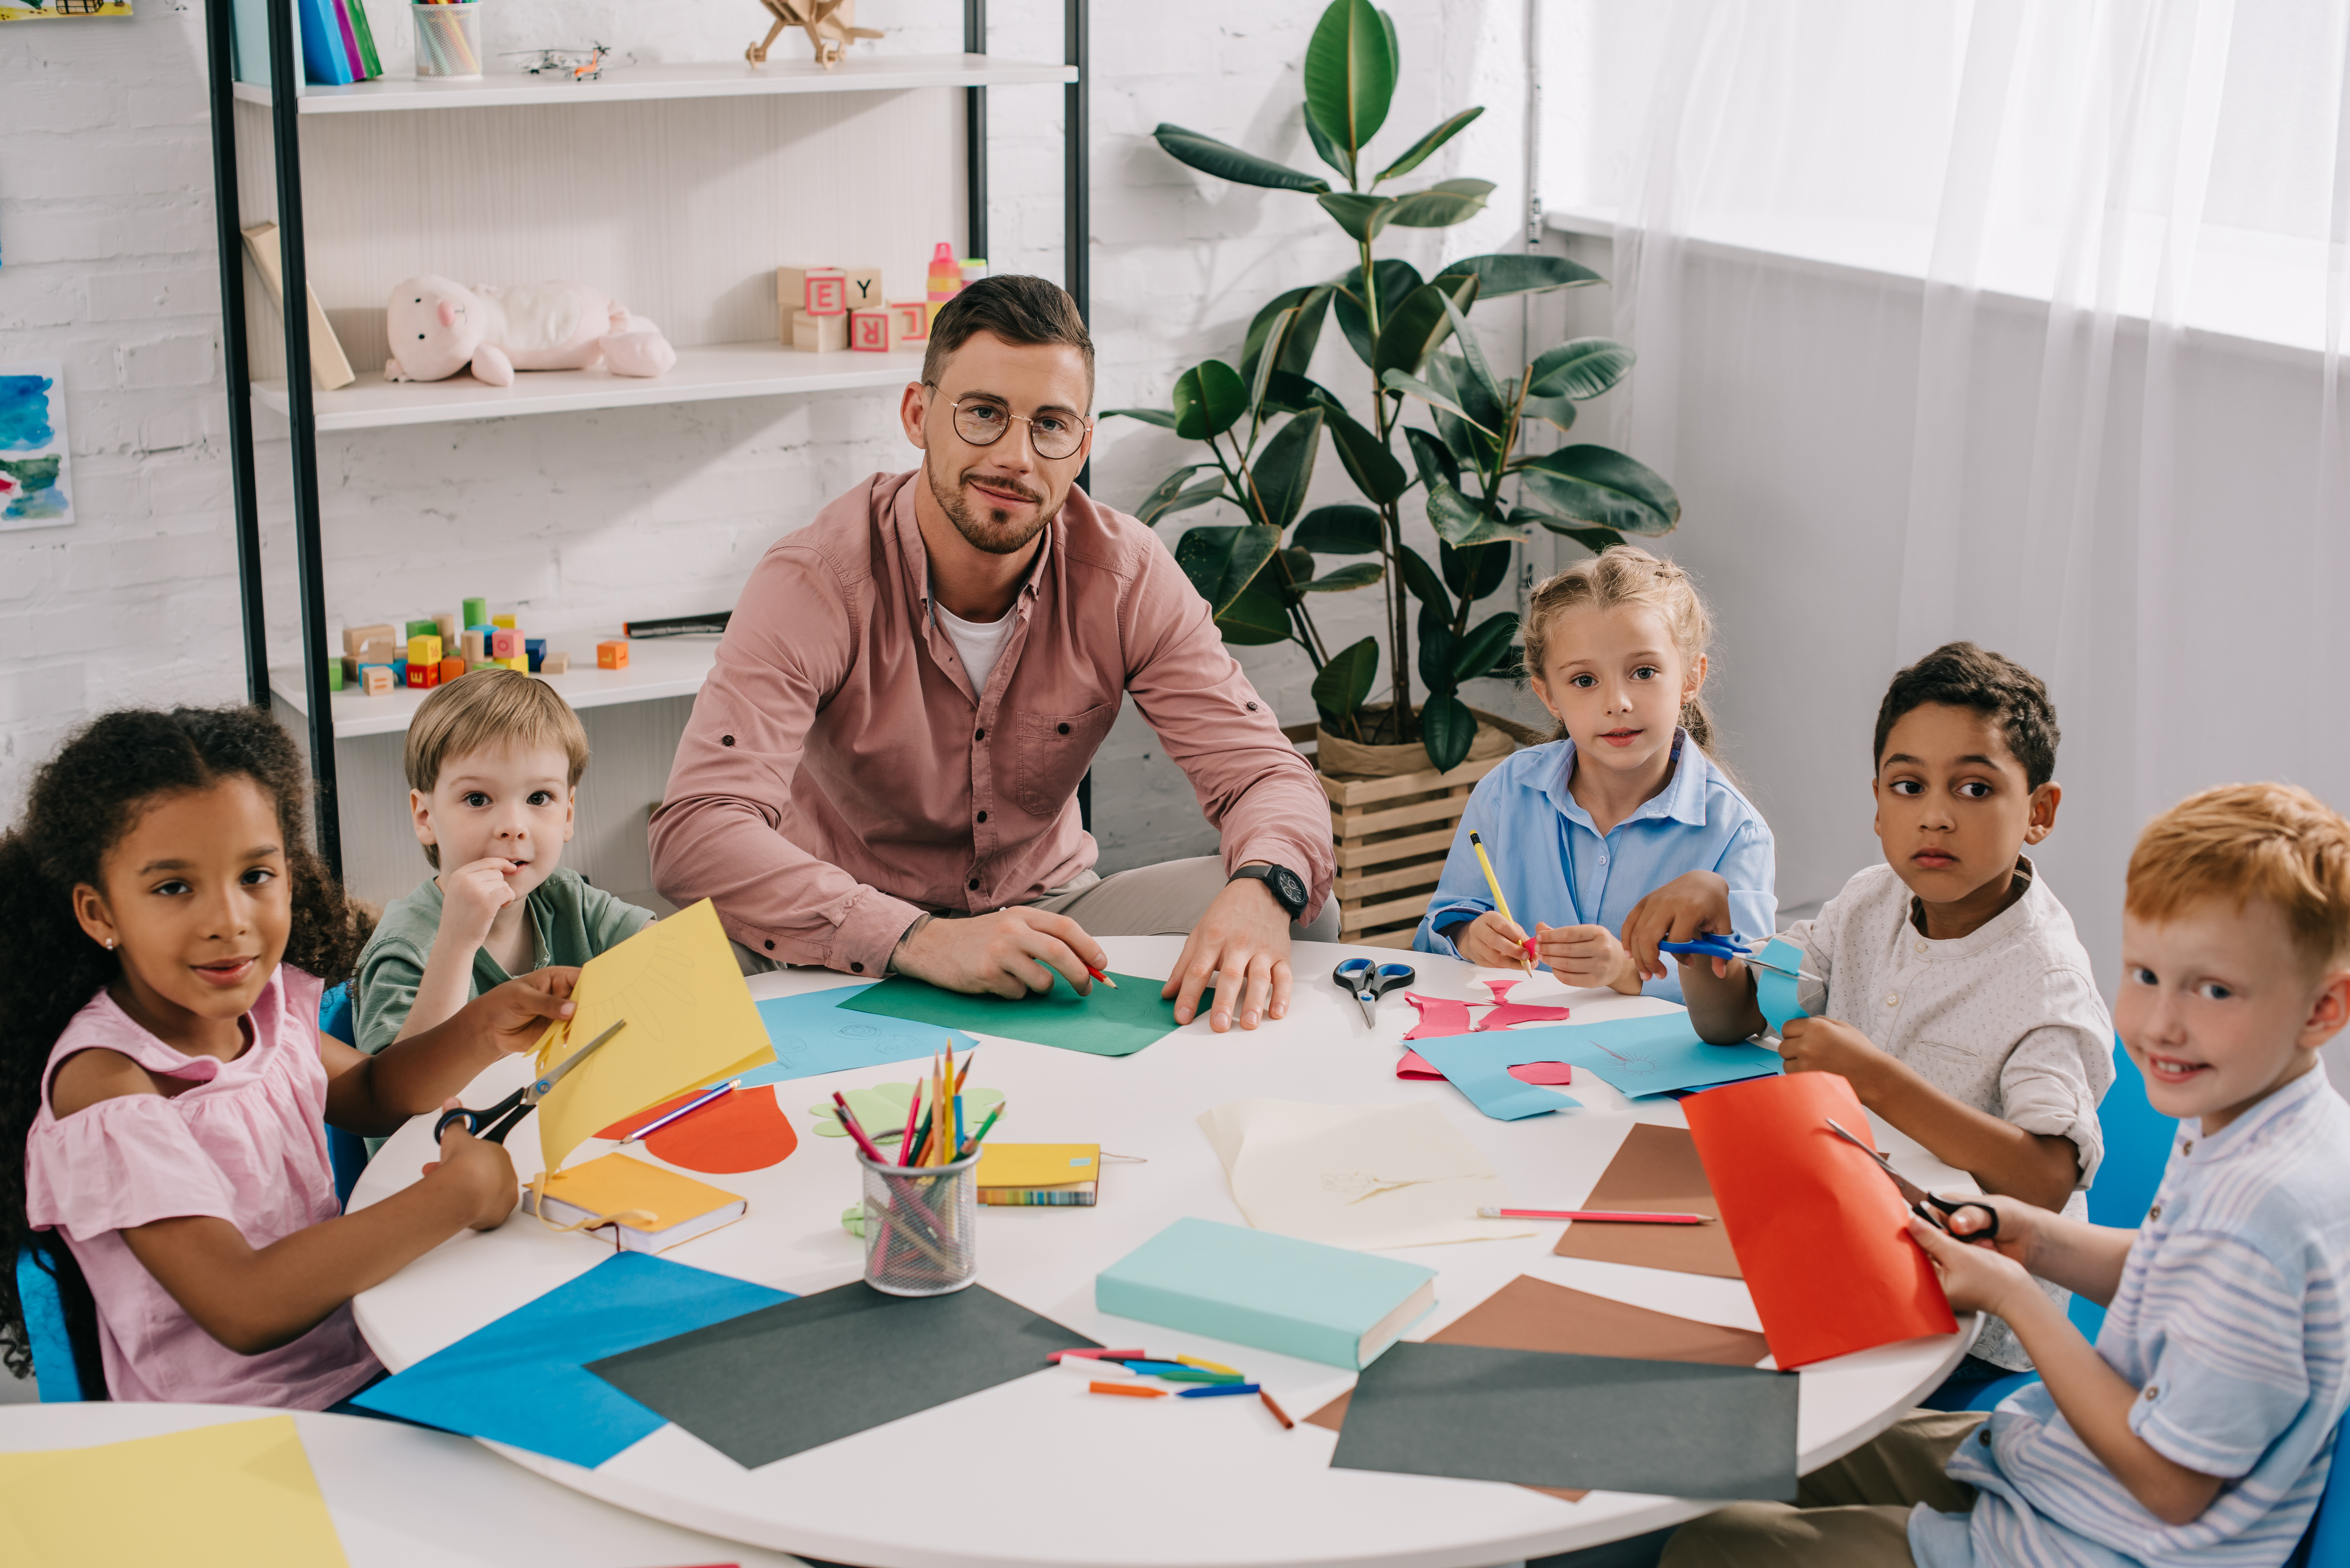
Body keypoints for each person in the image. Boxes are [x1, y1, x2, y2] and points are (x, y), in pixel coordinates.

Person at [1663, 781, 2350, 1567]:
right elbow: (2187, 1279)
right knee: (1741, 1438)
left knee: (1715, 1543)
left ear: (2323, 1009)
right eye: (2146, 975)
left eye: (2216, 990)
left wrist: (2012, 1295)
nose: (2161, 1024)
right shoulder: (2259, 1121)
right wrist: (2035, 1240)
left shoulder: (2266, 1210)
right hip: (2060, 1472)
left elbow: (2171, 1485)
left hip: (2094, 1541)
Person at [650, 274, 1336, 1032]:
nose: (1016, 455)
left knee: (1296, 905)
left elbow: (1266, 773)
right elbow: (699, 829)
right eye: (982, 414)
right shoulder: (817, 578)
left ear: (1081, 443)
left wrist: (1260, 886)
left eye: (1050, 424)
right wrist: (917, 938)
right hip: (846, 929)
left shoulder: (1125, 574)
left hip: (1046, 912)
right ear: (919, 415)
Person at [0, 707, 576, 1407]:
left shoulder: (258, 1005)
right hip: (252, 1430)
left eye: (255, 875)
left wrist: (486, 1024)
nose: (230, 918)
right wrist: (456, 1194)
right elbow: (245, 1303)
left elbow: (370, 1090)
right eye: (174, 887)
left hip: (361, 1354)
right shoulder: (107, 1084)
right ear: (100, 913)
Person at [1629, 642, 2112, 1375]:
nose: (1937, 817)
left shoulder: (2046, 980)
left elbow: (2045, 1176)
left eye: (1975, 789)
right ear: (1878, 806)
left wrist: (1875, 1080)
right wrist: (1702, 945)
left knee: (1712, 1372)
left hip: (1963, 1325)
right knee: (1653, 1303)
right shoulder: (1866, 900)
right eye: (1909, 785)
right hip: (1841, 1238)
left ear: (2038, 811)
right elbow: (1734, 1018)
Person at [1413, 546, 1773, 1000]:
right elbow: (1435, 932)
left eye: (1644, 672)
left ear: (1690, 679)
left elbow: (1749, 998)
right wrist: (1468, 937)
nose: (1617, 702)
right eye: (1584, 681)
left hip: (1655, 1068)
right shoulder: (1507, 791)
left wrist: (1628, 971)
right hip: (1514, 1052)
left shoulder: (1736, 833)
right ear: (1549, 696)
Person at [352, 669, 650, 1074]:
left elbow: (668, 958)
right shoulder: (404, 948)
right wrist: (457, 943)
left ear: (568, 813)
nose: (514, 825)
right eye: (478, 798)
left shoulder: (567, 896)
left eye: (539, 797)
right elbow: (397, 1100)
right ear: (425, 816)